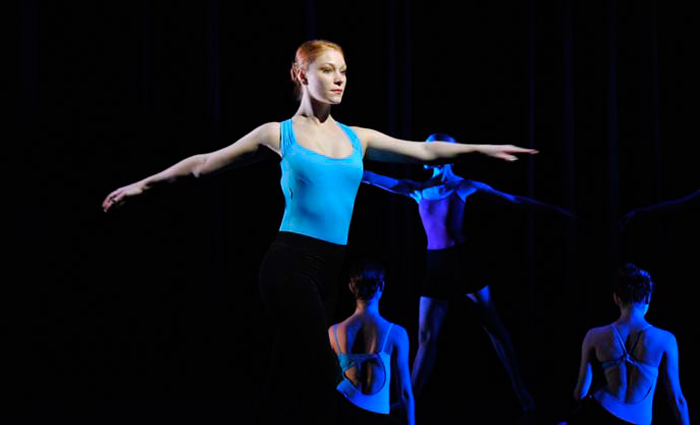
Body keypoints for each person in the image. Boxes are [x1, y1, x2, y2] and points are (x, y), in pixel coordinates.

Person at [102, 40, 536, 424]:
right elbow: (202, 164)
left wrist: (480, 148)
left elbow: (421, 150)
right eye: (327, 69)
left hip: (329, 269)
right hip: (287, 266)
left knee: (285, 379)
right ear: (300, 74)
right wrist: (142, 184)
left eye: (343, 71)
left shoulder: (356, 137)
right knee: (326, 372)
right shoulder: (278, 133)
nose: (338, 79)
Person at [362, 133, 573, 415]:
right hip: (435, 267)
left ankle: (521, 390)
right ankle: (407, 399)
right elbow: (373, 178)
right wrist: (342, 163)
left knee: (494, 327)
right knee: (426, 338)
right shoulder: (418, 190)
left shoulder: (464, 186)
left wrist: (557, 211)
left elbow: (512, 200)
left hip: (463, 263)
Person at [569, 263, 690, 425]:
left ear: (616, 298)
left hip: (600, 413)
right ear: (648, 297)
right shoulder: (665, 340)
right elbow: (677, 399)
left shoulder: (594, 335)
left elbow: (580, 394)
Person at [329, 260, 414, 425]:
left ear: (351, 287)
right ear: (381, 286)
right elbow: (404, 393)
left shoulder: (333, 333)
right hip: (378, 419)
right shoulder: (396, 334)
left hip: (343, 416)